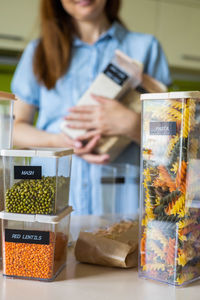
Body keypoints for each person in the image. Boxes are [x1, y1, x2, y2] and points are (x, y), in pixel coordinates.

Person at [11, 0, 171, 215]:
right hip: (53, 197)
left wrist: (132, 124)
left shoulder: (146, 48)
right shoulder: (38, 51)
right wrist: (59, 142)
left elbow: (172, 140)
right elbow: (14, 130)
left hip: (124, 202)